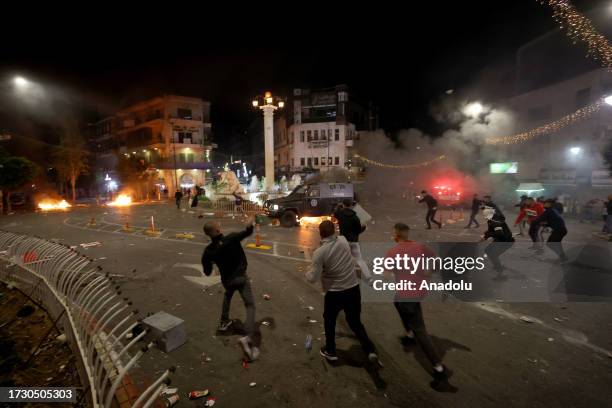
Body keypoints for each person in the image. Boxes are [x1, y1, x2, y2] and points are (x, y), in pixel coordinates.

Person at [385, 223, 455, 392]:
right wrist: (429, 272)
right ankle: (409, 335)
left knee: (421, 331)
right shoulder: (419, 246)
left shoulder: (392, 252)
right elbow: (437, 261)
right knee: (397, 302)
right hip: (418, 290)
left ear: (396, 235)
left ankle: (439, 370)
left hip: (408, 295)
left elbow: (386, 276)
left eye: (393, 233)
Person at [306, 220, 380, 365]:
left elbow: (313, 278)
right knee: (355, 322)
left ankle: (331, 351)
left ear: (320, 233)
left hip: (335, 293)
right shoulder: (343, 240)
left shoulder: (319, 252)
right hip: (353, 289)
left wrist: (307, 273)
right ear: (334, 231)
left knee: (329, 320)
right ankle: (370, 350)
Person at [202, 218, 259, 360]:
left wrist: (213, 260)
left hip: (227, 280)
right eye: (218, 225)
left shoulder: (208, 251)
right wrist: (250, 225)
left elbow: (208, 271)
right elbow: (247, 232)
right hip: (240, 277)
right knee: (250, 304)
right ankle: (248, 337)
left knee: (228, 295)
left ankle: (224, 322)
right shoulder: (232, 238)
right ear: (217, 230)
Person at [333, 198, 373, 283]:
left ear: (343, 205)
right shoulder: (355, 217)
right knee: (359, 260)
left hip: (344, 241)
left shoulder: (340, 214)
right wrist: (364, 227)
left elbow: (335, 213)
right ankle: (369, 278)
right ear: (351, 205)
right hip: (354, 241)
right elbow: (358, 230)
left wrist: (338, 206)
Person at [481, 207, 515, 277]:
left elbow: (499, 233)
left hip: (506, 241)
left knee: (493, 254)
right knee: (488, 250)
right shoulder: (490, 220)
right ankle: (497, 265)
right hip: (499, 240)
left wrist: (488, 235)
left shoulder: (496, 221)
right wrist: (485, 237)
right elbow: (490, 230)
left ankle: (501, 273)